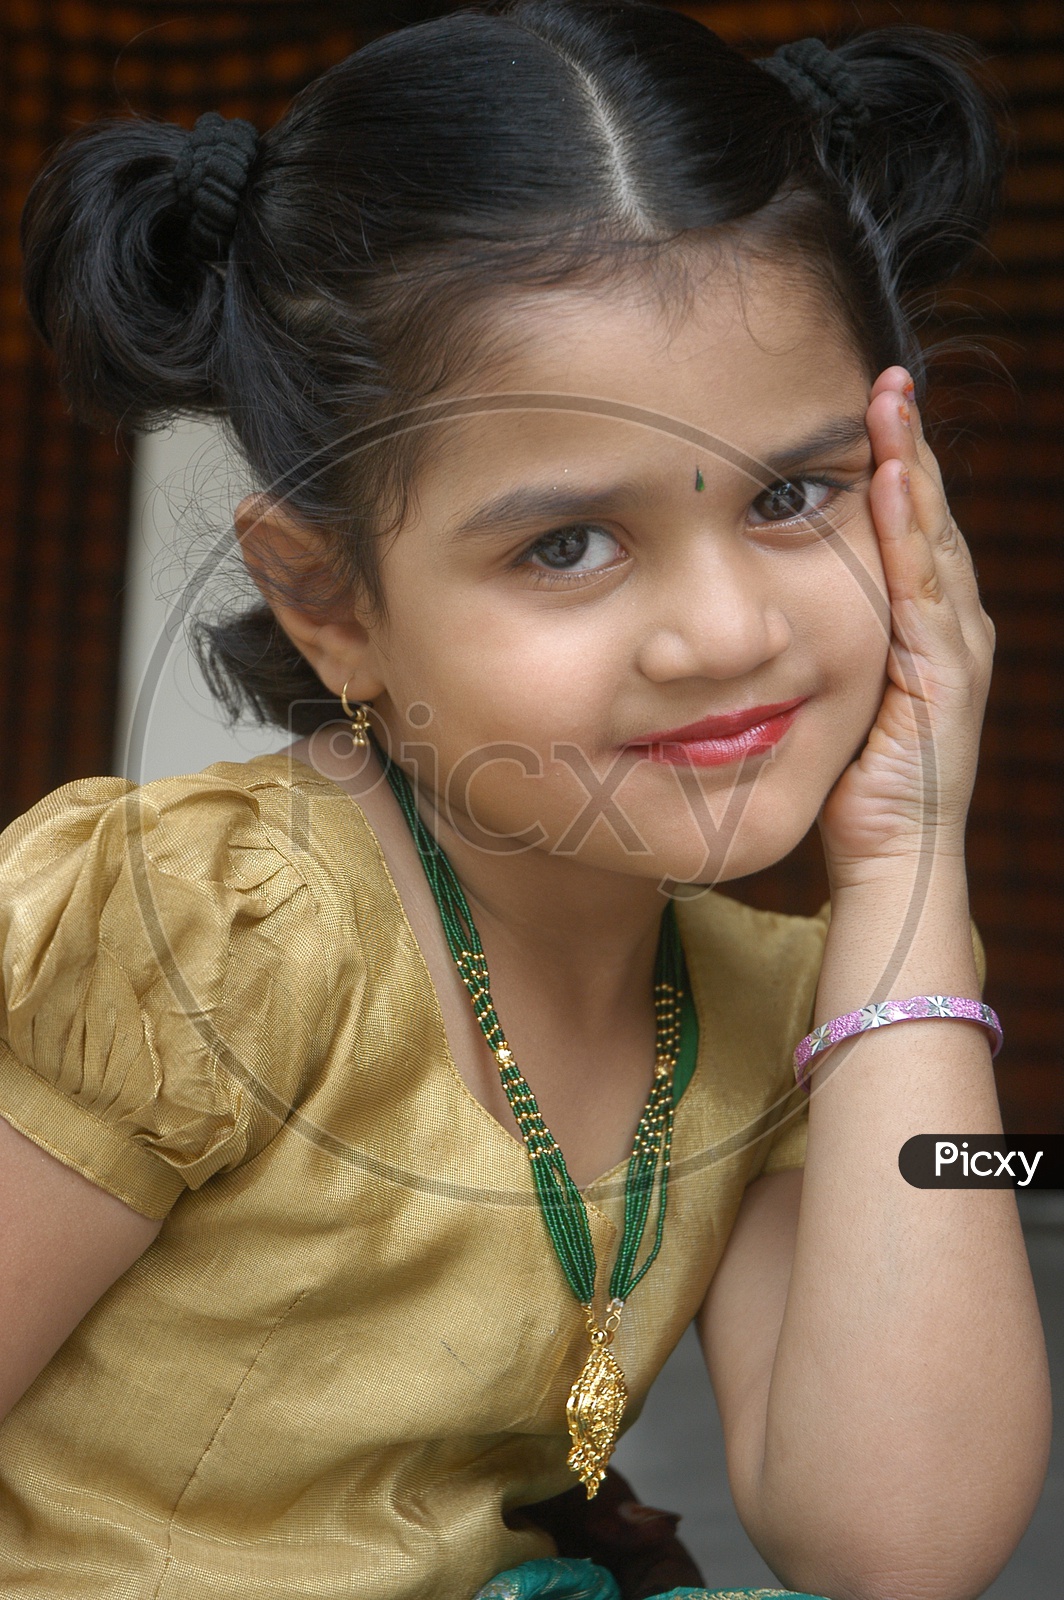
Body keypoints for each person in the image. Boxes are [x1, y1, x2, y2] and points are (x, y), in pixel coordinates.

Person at [0, 2, 1050, 1597]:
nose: (728, 636)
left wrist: (911, 862)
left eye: (793, 495)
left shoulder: (771, 1012)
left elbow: (897, 1544)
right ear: (331, 599)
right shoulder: (209, 941)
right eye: (567, 543)